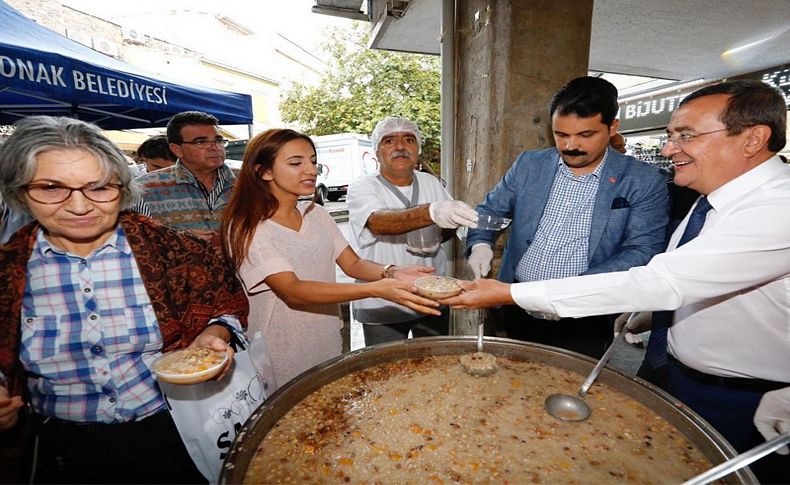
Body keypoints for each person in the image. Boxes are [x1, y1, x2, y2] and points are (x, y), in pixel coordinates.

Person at [443, 79, 790, 483]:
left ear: (753, 139)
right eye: (561, 134)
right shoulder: (712, 199)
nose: (668, 148)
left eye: (686, 136)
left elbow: (651, 266)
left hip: (738, 392)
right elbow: (690, 273)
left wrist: (513, 294)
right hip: (674, 371)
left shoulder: (773, 206)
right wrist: (481, 244)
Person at [0, 116, 249, 484]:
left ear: (123, 188)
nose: (80, 206)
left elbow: (225, 303)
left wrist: (216, 333)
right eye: (52, 188)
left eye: (99, 188)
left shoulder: (173, 250)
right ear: (21, 192)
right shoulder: (9, 272)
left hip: (174, 433)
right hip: (62, 448)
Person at [465, 76, 669, 358]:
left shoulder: (642, 181)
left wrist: (567, 292)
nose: (571, 145)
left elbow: (641, 250)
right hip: (516, 304)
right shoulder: (530, 165)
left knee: (569, 390)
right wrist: (480, 243)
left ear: (612, 128)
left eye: (586, 135)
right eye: (561, 135)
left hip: (584, 314)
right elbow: (489, 211)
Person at [221, 128, 440, 387]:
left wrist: (391, 271)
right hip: (281, 347)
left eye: (313, 161)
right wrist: (377, 290)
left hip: (326, 337)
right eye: (296, 163)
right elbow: (293, 290)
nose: (311, 170)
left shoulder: (317, 214)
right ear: (264, 171)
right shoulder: (248, 227)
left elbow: (353, 263)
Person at [346, 116, 478, 346]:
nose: (400, 147)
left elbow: (447, 229)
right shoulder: (364, 186)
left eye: (409, 140)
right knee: (387, 370)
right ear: (377, 152)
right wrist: (429, 213)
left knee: (433, 364)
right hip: (384, 300)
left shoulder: (430, 182)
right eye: (389, 141)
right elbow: (377, 222)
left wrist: (455, 234)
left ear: (417, 149)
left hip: (433, 295)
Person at [134, 111, 235, 245]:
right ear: (177, 150)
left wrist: (234, 248)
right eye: (201, 142)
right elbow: (134, 243)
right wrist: (177, 241)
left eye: (218, 140)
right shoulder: (143, 189)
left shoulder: (248, 185)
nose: (215, 147)